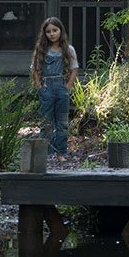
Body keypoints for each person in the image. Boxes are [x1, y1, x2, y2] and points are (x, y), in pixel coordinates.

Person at [30, 16, 78, 156]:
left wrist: (68, 86)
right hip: (47, 88)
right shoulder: (41, 50)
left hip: (62, 88)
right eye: (48, 31)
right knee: (46, 122)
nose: (52, 34)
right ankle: (46, 154)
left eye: (55, 30)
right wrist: (40, 88)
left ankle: (61, 153)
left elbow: (74, 69)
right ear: (44, 33)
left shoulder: (68, 49)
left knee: (62, 122)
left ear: (60, 30)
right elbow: (35, 70)